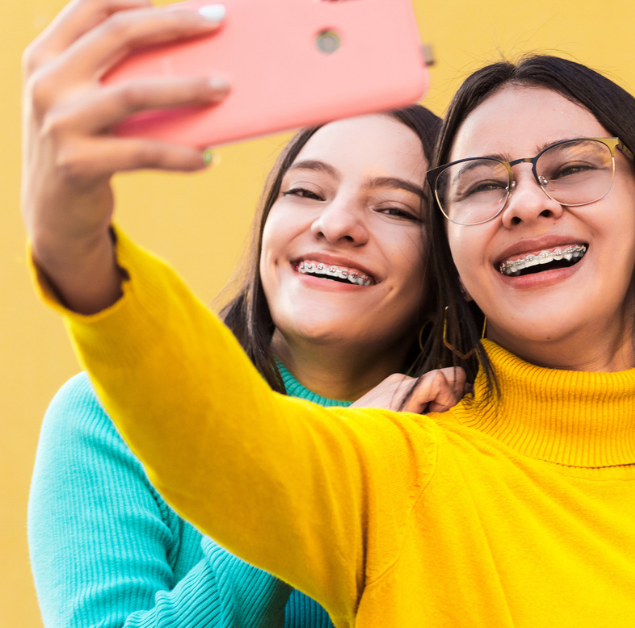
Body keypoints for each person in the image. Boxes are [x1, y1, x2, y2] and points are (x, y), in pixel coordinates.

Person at [22, 2, 635, 627]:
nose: (528, 203)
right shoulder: (384, 462)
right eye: (482, 185)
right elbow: (199, 411)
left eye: (573, 167)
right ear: (466, 264)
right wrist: (76, 241)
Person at [22, 3, 460, 626]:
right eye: (305, 191)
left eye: (395, 209)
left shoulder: (467, 436)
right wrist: (315, 477)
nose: (334, 224)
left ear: (447, 265)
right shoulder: (110, 417)